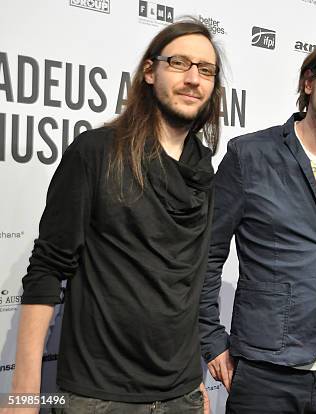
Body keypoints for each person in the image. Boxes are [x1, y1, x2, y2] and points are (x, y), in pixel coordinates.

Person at [8, 19, 222, 414]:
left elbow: (185, 284)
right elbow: (48, 267)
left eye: (206, 70)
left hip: (183, 395)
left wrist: (194, 380)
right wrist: (24, 390)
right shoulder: (96, 152)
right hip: (98, 396)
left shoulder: (203, 169)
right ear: (149, 71)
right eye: (179, 63)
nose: (194, 78)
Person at [199, 38, 316, 413]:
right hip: (266, 369)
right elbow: (207, 253)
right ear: (308, 82)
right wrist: (211, 337)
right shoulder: (249, 154)